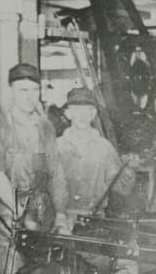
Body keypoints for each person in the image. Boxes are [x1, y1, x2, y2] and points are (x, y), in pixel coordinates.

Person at [0, 63, 61, 274]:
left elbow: (56, 173)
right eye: (22, 90)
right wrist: (19, 209)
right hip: (5, 222)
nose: (29, 96)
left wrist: (61, 214)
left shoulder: (46, 127)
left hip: (40, 219)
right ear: (12, 91)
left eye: (34, 90)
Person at [52, 87, 138, 234]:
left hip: (95, 223)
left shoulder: (104, 148)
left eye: (88, 110)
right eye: (77, 109)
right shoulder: (56, 146)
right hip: (61, 222)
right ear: (68, 113)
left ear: (94, 114)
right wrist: (59, 220)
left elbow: (121, 188)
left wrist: (128, 170)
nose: (82, 115)